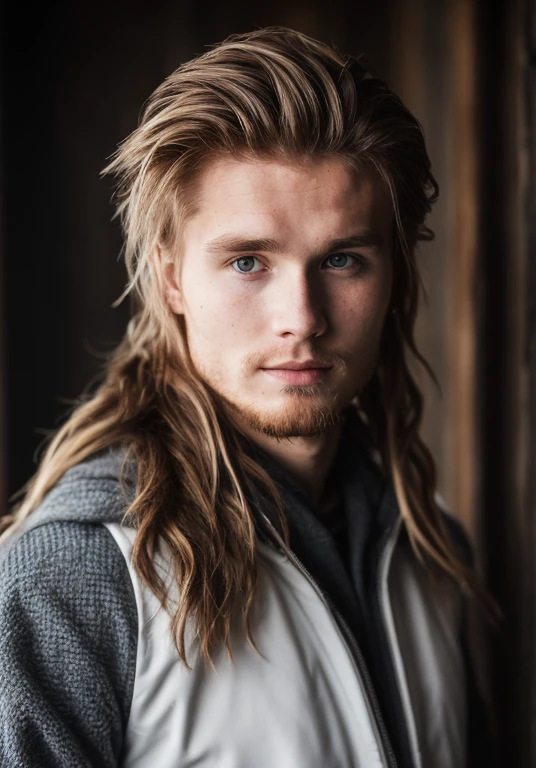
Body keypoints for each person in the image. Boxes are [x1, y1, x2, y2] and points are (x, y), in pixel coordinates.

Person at [0, 26, 493, 768]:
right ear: (171, 279)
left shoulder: (431, 550)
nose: (302, 316)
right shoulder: (80, 574)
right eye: (248, 261)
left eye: (343, 258)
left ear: (395, 280)